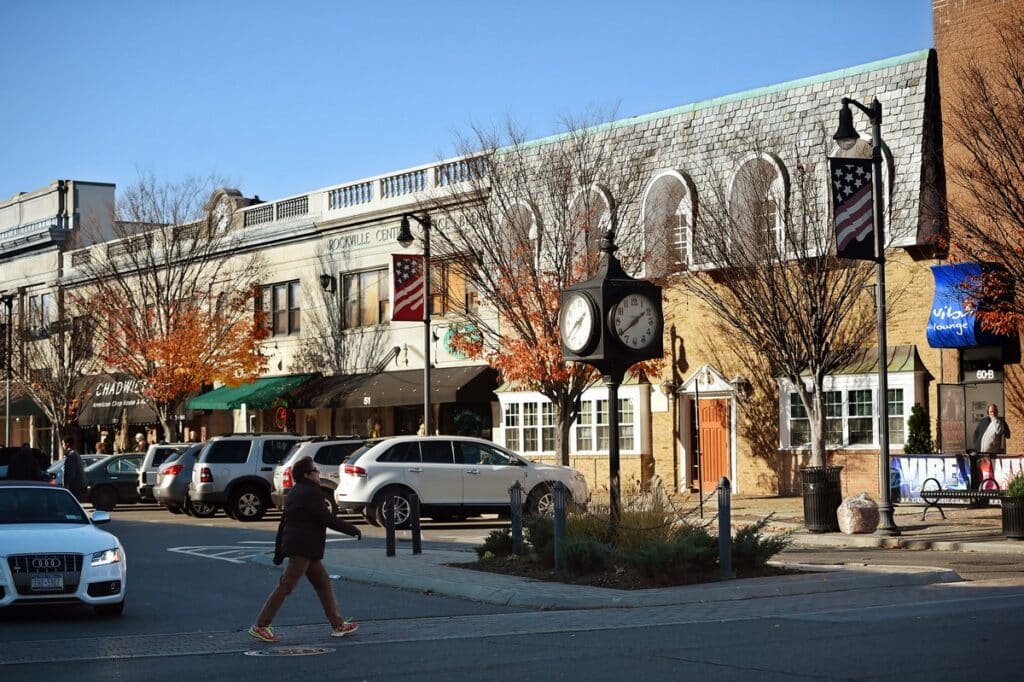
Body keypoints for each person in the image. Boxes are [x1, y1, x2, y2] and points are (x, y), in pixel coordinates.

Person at [249, 456, 362, 643]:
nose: (318, 472)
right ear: (308, 475)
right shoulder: (311, 493)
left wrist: (279, 551)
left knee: (323, 583)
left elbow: (283, 523)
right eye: (315, 470)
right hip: (303, 547)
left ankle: (337, 624)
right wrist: (352, 529)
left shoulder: (296, 492)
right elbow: (327, 518)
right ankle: (261, 625)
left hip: (304, 548)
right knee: (286, 586)